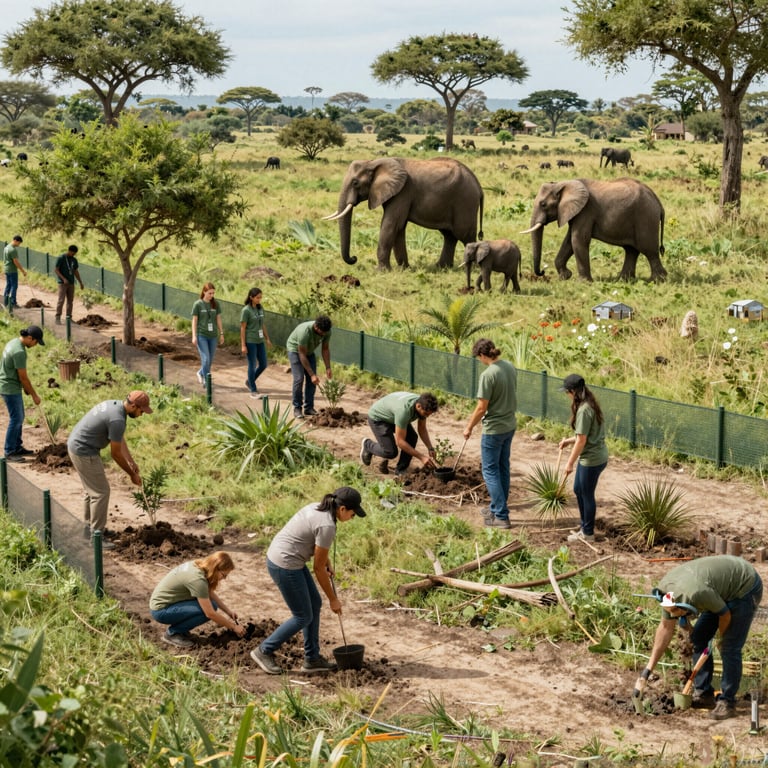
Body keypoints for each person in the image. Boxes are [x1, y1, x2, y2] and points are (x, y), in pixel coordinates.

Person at [250, 486, 366, 675]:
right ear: (343, 509)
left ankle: (312, 659)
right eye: (353, 514)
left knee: (314, 604)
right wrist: (333, 599)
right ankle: (263, 651)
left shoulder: (318, 508)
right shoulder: (327, 525)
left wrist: (326, 561)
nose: (352, 518)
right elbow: (318, 569)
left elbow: (313, 543)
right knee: (303, 616)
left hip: (284, 557)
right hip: (285, 564)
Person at [636, 555, 763, 721]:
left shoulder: (699, 593)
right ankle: (704, 693)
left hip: (744, 587)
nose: (673, 616)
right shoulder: (667, 594)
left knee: (729, 646)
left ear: (685, 604)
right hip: (717, 590)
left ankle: (727, 702)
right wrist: (647, 671)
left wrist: (721, 638)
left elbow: (724, 614)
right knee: (698, 638)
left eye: (676, 612)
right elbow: (665, 628)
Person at [67, 390, 152, 546]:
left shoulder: (115, 406)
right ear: (133, 406)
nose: (142, 415)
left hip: (77, 445)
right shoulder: (117, 419)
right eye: (142, 411)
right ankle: (96, 538)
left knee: (92, 491)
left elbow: (118, 438)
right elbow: (115, 454)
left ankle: (89, 529)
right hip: (84, 451)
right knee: (101, 493)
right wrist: (131, 475)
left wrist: (130, 461)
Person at [462, 339, 517, 529]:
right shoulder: (509, 366)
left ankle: (501, 515)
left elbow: (481, 407)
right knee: (503, 468)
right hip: (509, 425)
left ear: (482, 355)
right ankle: (495, 509)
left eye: (478, 357)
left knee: (490, 471)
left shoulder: (488, 375)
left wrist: (469, 427)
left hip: (494, 429)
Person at [150, 551, 246, 648]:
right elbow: (210, 613)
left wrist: (228, 611)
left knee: (211, 605)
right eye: (224, 575)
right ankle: (173, 633)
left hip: (166, 604)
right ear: (216, 568)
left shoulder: (199, 565)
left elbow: (208, 592)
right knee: (208, 610)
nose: (224, 578)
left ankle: (181, 630)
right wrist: (233, 627)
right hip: (161, 610)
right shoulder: (198, 580)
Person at [557, 374, 608, 544]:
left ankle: (588, 533)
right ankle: (584, 527)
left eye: (567, 392)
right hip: (594, 455)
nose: (567, 395)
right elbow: (584, 435)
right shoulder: (589, 403)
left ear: (573, 391)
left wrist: (569, 463)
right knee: (579, 489)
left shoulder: (584, 410)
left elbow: (582, 440)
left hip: (592, 459)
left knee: (586, 493)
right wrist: (568, 441)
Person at [360, 391, 438, 477]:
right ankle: (368, 445)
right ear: (418, 406)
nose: (426, 416)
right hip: (378, 418)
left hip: (392, 415)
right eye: (425, 414)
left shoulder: (423, 403)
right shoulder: (404, 411)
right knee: (390, 452)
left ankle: (401, 469)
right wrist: (421, 457)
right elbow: (400, 442)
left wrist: (430, 448)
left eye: (428, 415)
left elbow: (422, 428)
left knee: (412, 437)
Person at [0, 326, 44, 462]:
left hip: (8, 384)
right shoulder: (19, 351)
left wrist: (25, 388)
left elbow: (18, 373)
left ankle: (17, 446)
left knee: (19, 417)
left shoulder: (14, 342)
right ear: (30, 338)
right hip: (10, 388)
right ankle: (10, 451)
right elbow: (23, 377)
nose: (35, 345)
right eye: (36, 342)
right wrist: (34, 395)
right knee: (16, 418)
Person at [286, 314, 332, 419]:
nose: (323, 334)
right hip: (295, 350)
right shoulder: (304, 331)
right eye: (322, 332)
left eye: (325, 332)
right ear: (316, 327)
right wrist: (312, 374)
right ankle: (297, 408)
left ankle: (309, 408)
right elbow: (302, 354)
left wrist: (328, 367)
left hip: (309, 351)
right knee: (299, 379)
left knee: (312, 382)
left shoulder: (327, 331)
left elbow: (325, 349)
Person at [239, 287, 271, 398]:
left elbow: (262, 324)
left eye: (260, 297)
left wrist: (267, 338)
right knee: (252, 364)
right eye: (257, 297)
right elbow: (242, 328)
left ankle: (249, 381)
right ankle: (253, 389)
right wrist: (243, 345)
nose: (259, 299)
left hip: (260, 340)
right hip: (250, 341)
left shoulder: (260, 308)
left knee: (263, 364)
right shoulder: (246, 310)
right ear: (251, 297)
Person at [191, 282, 224, 387]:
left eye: (213, 293)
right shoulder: (198, 304)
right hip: (202, 336)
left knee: (210, 360)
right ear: (204, 292)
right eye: (210, 293)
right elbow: (194, 320)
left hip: (213, 336)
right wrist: (194, 335)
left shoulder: (216, 304)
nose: (212, 295)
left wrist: (221, 333)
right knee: (206, 359)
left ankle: (200, 373)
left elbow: (218, 318)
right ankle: (206, 380)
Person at [54, 244, 85, 324]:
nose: (73, 255)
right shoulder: (61, 258)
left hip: (71, 283)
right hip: (62, 283)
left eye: (74, 254)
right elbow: (56, 270)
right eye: (72, 253)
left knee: (70, 301)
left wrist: (80, 282)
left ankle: (69, 317)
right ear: (69, 251)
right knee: (61, 300)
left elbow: (75, 271)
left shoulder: (74, 260)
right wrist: (63, 278)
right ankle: (58, 317)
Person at [3, 235, 26, 310]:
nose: (19, 245)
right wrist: (23, 271)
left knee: (8, 285)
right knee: (14, 286)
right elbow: (15, 261)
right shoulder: (13, 250)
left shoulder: (6, 247)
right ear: (15, 241)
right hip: (12, 270)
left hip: (6, 269)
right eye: (19, 243)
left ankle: (6, 302)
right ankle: (13, 303)